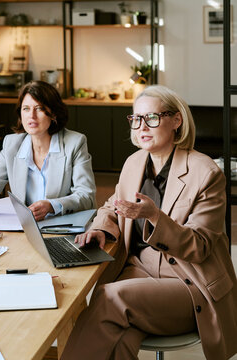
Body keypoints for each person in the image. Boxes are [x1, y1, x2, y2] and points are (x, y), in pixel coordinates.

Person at [62, 85, 237, 360]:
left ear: (176, 120)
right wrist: (100, 229)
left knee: (109, 297)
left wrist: (155, 216)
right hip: (139, 271)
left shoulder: (206, 173)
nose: (142, 126)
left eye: (152, 118)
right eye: (136, 119)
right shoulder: (134, 162)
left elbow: (200, 247)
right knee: (120, 338)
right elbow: (113, 205)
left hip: (187, 283)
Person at [0, 80, 96, 221]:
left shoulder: (75, 143)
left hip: (62, 224)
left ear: (53, 113)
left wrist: (52, 205)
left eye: (39, 108)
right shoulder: (12, 144)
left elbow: (86, 195)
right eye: (26, 108)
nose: (31, 116)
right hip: (25, 226)